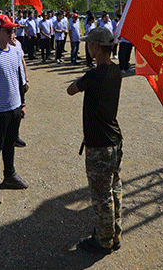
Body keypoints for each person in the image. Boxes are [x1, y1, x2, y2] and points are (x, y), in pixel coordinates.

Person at [66, 27, 123, 254]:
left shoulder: (94, 75)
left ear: (96, 47)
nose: (87, 48)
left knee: (102, 195)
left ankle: (104, 240)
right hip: (114, 140)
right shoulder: (116, 70)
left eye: (89, 45)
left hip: (100, 144)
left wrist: (85, 76)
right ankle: (114, 232)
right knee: (115, 189)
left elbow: (71, 90)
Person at [0, 15, 29, 206]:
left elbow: (19, 79)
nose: (12, 33)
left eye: (13, 30)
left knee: (10, 143)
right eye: (8, 30)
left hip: (15, 107)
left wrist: (23, 103)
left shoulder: (15, 51)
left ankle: (9, 174)